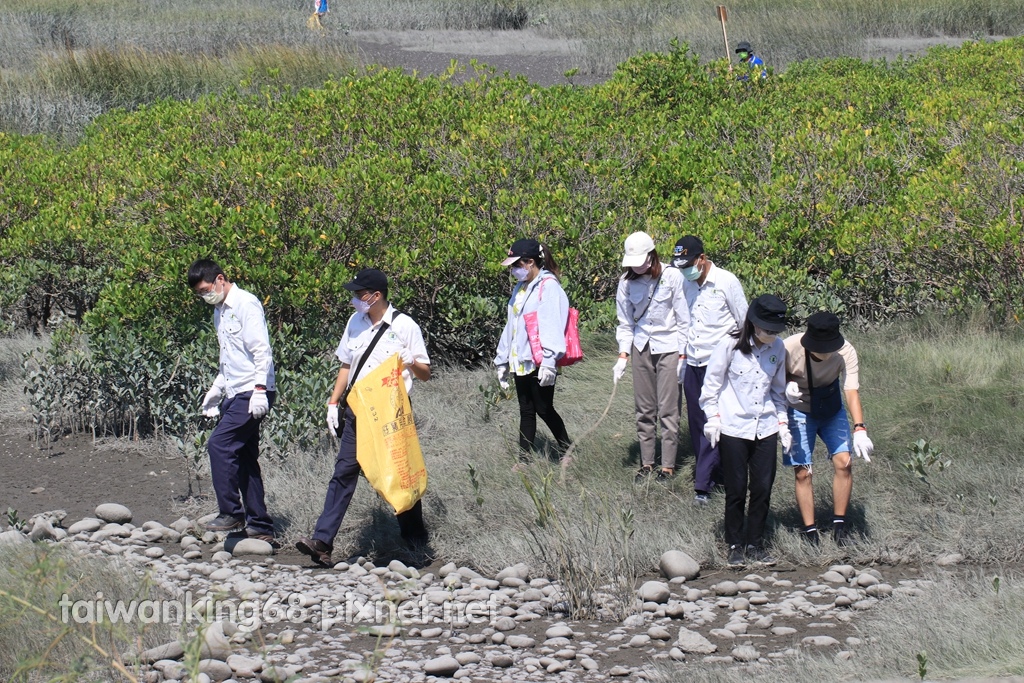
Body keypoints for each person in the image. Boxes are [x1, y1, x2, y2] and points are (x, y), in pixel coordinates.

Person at [296, 268, 432, 567]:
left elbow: (425, 373)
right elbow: (347, 365)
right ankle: (322, 542)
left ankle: (415, 539)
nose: (355, 299)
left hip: (390, 412)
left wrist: (411, 362)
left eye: (360, 294)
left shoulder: (405, 326)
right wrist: (333, 402)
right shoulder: (354, 323)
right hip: (357, 410)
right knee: (343, 472)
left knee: (396, 470)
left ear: (377, 295)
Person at [189, 259, 277, 543]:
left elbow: (261, 350)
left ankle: (231, 513)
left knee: (220, 445)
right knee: (245, 458)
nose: (205, 296)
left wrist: (261, 389)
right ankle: (260, 525)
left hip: (252, 391)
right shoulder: (220, 312)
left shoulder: (245, 304)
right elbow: (230, 357)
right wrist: (217, 388)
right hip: (235, 390)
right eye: (200, 293)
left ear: (220, 279)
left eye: (206, 289)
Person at [700, 294, 790, 568]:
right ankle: (735, 545)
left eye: (776, 331)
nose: (771, 335)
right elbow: (710, 387)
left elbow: (778, 393)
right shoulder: (730, 345)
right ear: (753, 323)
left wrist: (783, 425)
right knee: (737, 489)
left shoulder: (778, 349)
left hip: (765, 426)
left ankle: (756, 543)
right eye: (767, 330)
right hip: (733, 426)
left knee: (763, 487)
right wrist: (713, 419)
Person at [783, 311, 874, 547]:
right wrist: (787, 385)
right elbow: (772, 378)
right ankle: (810, 531)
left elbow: (851, 390)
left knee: (844, 462)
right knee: (803, 470)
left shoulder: (846, 351)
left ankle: (840, 526)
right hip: (799, 409)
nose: (824, 352)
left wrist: (860, 428)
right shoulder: (789, 347)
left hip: (831, 408)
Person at [672, 235, 748, 505]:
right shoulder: (686, 283)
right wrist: (683, 358)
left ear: (701, 259)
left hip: (720, 365)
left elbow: (744, 321)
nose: (684, 271)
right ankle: (721, 476)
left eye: (688, 264)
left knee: (714, 420)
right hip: (693, 361)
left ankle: (702, 486)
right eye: (680, 266)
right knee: (696, 424)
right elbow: (687, 322)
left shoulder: (726, 281)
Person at [615, 231, 689, 481]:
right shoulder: (626, 282)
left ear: (651, 256)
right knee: (644, 409)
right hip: (641, 347)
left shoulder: (672, 276)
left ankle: (667, 465)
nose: (636, 268)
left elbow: (683, 319)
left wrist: (683, 357)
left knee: (668, 409)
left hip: (669, 347)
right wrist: (623, 355)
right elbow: (625, 322)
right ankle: (647, 463)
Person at [494, 238, 573, 464]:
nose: (513, 270)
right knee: (526, 410)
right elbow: (511, 324)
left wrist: (550, 361)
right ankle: (524, 460)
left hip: (540, 360)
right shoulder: (521, 288)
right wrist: (502, 360)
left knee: (544, 408)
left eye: (516, 265)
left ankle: (567, 451)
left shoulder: (548, 287)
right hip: (521, 359)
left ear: (530, 262)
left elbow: (553, 324)